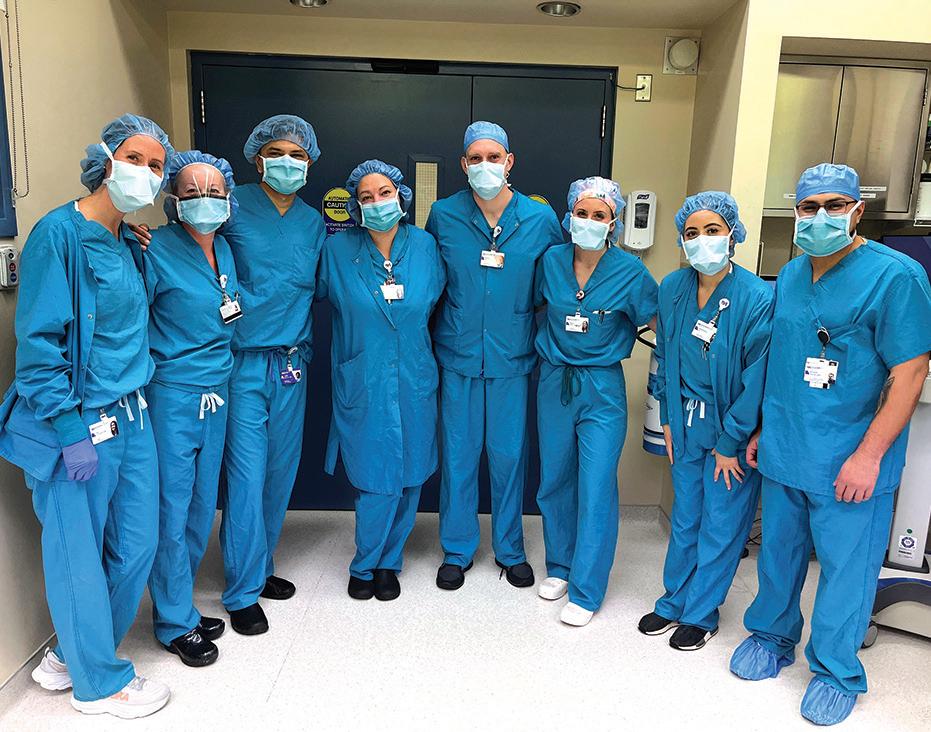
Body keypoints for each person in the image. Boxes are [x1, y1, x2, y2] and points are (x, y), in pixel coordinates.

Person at [730, 164, 931, 726]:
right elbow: (786, 360)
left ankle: (836, 670)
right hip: (788, 446)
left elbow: (911, 373)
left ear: (857, 211)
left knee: (845, 569)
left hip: (851, 455)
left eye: (834, 206)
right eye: (808, 206)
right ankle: (772, 636)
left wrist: (868, 456)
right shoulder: (793, 274)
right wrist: (765, 428)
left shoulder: (897, 276)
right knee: (779, 553)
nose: (820, 217)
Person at [0, 114, 173, 718]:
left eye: (156, 166)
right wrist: (69, 429)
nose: (145, 173)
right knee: (77, 556)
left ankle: (68, 657)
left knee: (138, 544)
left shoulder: (128, 242)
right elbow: (38, 347)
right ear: (105, 160)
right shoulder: (58, 235)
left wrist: (142, 254)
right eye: (135, 158)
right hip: (77, 422)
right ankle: (98, 683)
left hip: (133, 414)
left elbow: (134, 323)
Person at [427, 121, 563, 591]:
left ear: (510, 162)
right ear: (463, 165)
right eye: (475, 158)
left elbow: (556, 284)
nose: (485, 165)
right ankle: (457, 549)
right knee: (459, 457)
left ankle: (510, 549)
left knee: (509, 457)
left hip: (512, 356)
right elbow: (433, 282)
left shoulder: (540, 219)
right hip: (458, 355)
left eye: (494, 157)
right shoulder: (444, 215)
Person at [637, 192, 773, 650]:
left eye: (712, 230)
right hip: (684, 422)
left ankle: (701, 612)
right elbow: (666, 355)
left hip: (729, 428)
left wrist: (731, 442)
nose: (702, 240)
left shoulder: (756, 297)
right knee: (686, 517)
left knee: (721, 523)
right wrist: (667, 417)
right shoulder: (674, 287)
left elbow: (757, 380)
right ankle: (673, 600)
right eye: (692, 233)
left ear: (732, 235)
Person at [317, 160, 446, 601]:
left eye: (384, 193)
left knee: (410, 471)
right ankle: (365, 562)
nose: (377, 203)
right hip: (364, 377)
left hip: (414, 375)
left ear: (401, 196)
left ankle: (390, 561)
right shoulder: (336, 251)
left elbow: (440, 304)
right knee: (374, 473)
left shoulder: (425, 246)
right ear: (356, 205)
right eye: (366, 197)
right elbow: (298, 289)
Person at [218, 115, 326, 634]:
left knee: (280, 472)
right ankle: (241, 590)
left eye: (298, 155)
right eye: (277, 152)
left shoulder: (312, 222)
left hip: (291, 362)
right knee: (247, 475)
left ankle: (260, 567)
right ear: (258, 158)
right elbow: (194, 251)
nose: (288, 162)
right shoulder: (231, 206)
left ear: (310, 162)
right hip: (243, 361)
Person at [534, 176, 658, 626]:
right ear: (569, 216)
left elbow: (660, 324)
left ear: (613, 223)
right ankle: (560, 567)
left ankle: (587, 589)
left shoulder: (630, 272)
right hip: (554, 381)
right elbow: (532, 309)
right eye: (581, 213)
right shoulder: (550, 261)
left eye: (599, 215)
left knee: (596, 484)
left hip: (602, 388)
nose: (588, 221)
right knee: (555, 479)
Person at [143, 151, 239, 667]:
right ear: (174, 201)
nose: (205, 200)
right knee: (172, 507)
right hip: (173, 394)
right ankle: (174, 621)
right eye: (192, 192)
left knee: (202, 504)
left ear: (228, 199)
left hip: (216, 389)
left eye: (215, 192)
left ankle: (179, 602)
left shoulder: (224, 248)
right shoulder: (153, 248)